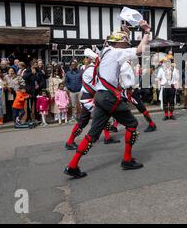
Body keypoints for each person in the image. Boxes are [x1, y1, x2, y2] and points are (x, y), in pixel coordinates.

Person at [64, 20, 152, 178]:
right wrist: (146, 32)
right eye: (125, 44)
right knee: (132, 124)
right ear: (119, 44)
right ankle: (127, 159)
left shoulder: (105, 51)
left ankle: (72, 165)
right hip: (109, 97)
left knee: (93, 133)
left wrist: (126, 33)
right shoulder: (117, 52)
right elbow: (140, 50)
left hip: (99, 96)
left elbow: (119, 43)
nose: (126, 46)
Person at [65, 48, 120, 150]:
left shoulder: (94, 68)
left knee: (104, 116)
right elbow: (100, 82)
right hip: (88, 98)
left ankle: (107, 137)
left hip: (94, 96)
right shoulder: (90, 69)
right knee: (83, 121)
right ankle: (70, 141)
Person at [120, 60, 157, 133]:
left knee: (140, 107)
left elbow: (130, 80)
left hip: (130, 90)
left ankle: (152, 124)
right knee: (118, 107)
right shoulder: (126, 65)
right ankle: (114, 126)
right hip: (125, 91)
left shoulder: (126, 66)